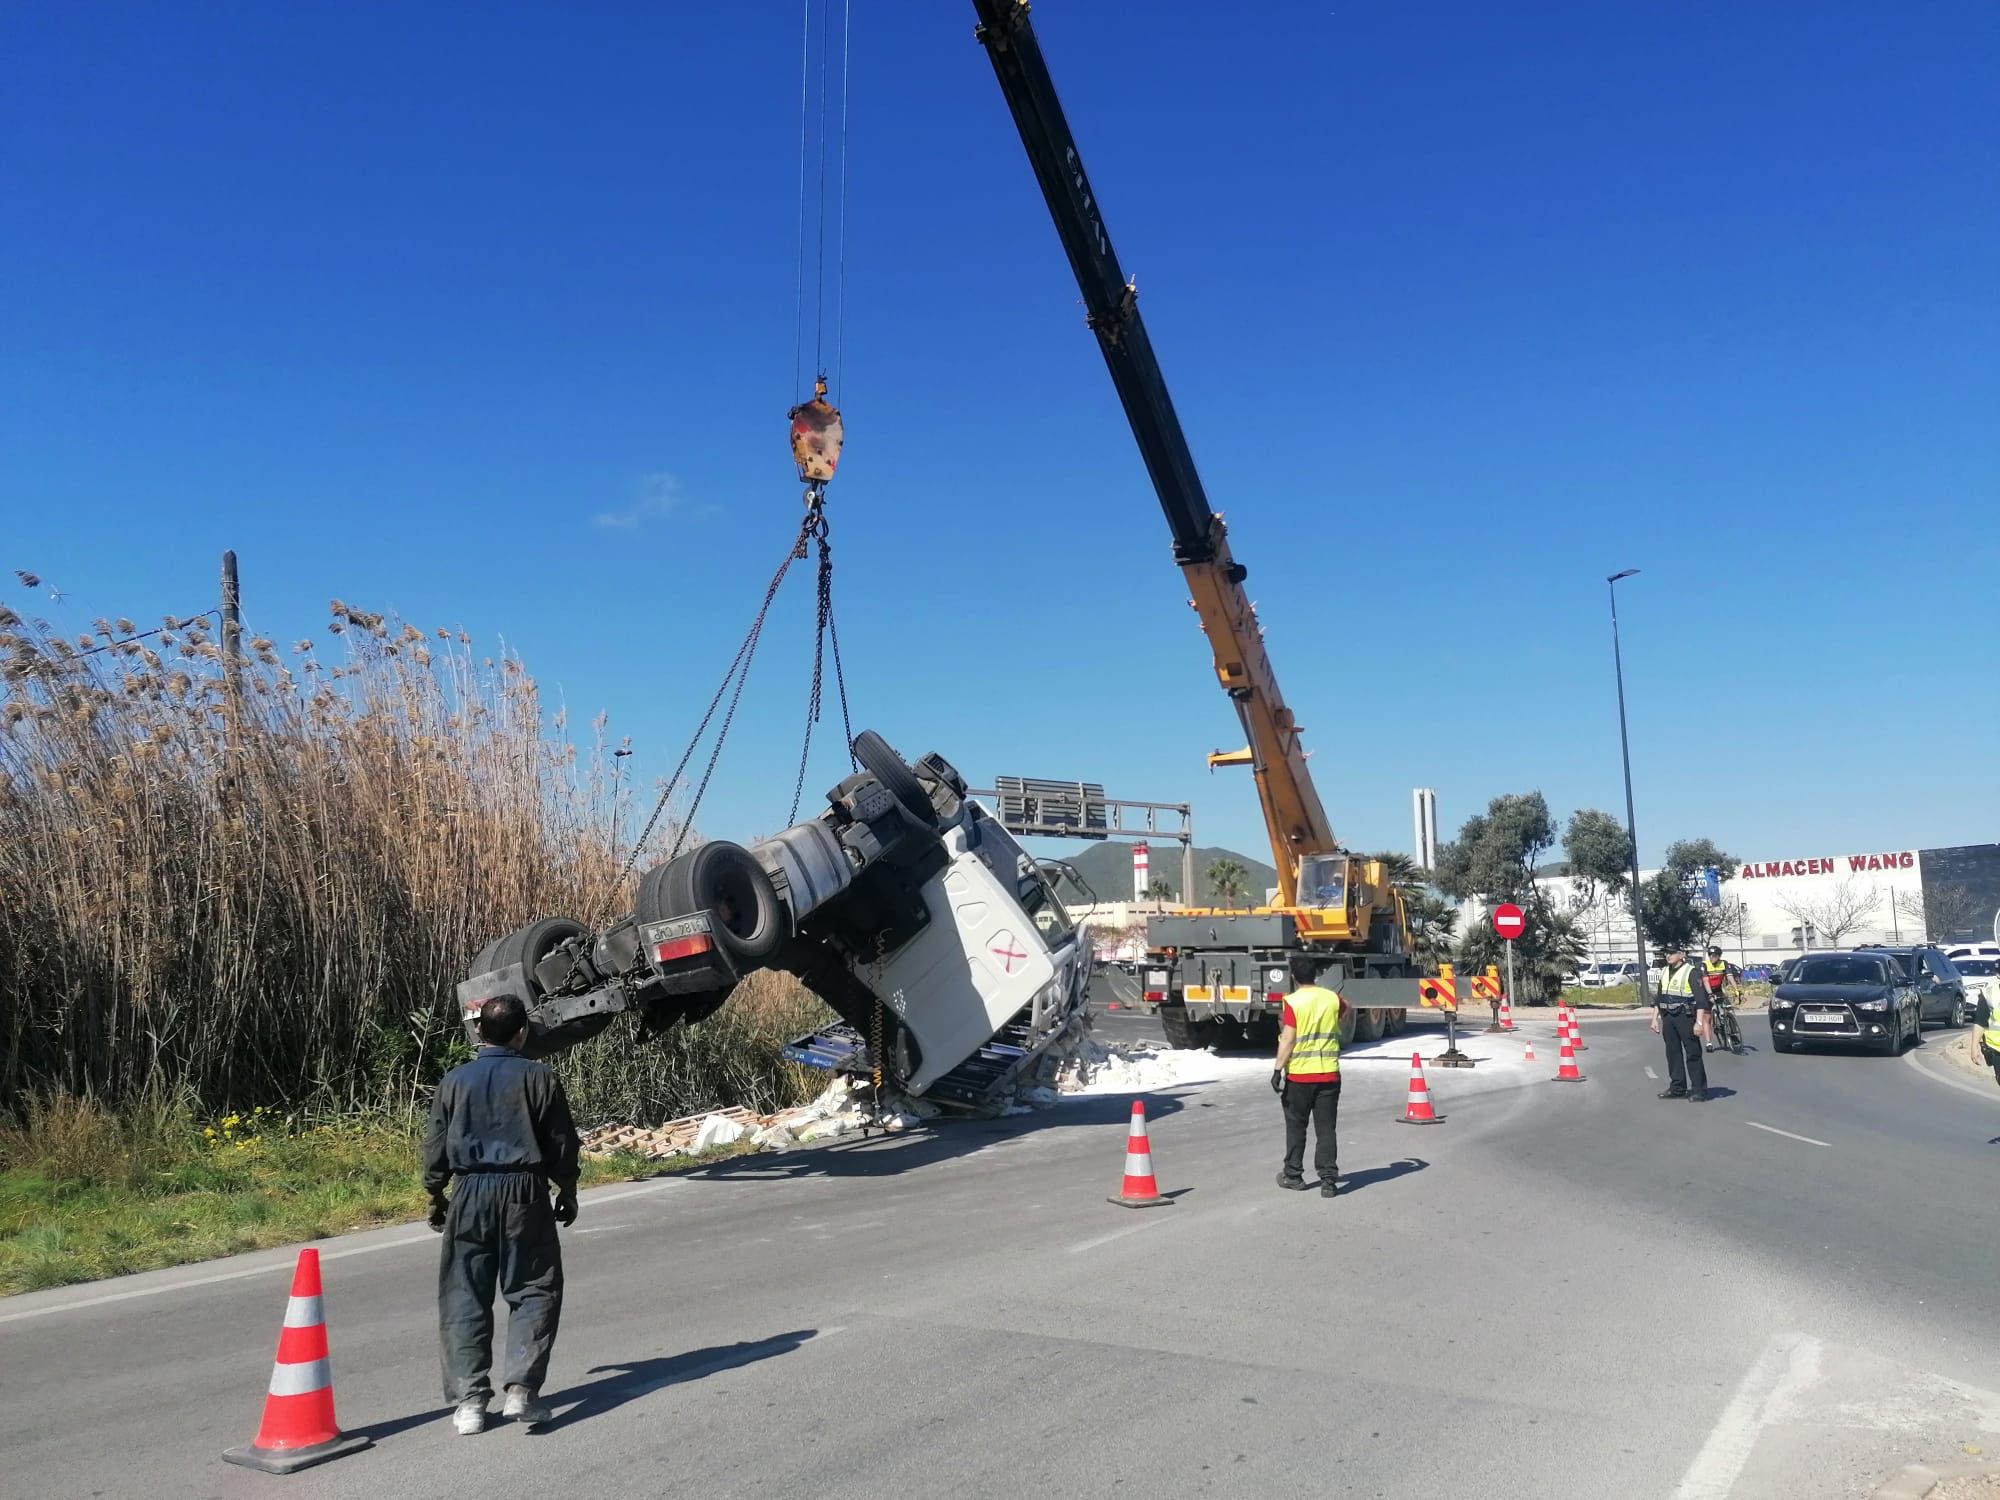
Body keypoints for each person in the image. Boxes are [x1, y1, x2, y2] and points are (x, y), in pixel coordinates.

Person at [421, 995, 581, 1435]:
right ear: (521, 1032)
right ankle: (521, 1392)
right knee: (533, 1288)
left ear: (479, 1033)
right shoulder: (539, 1077)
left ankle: (470, 1403)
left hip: (469, 1192)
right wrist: (566, 1189)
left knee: (464, 1294)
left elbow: (435, 1145)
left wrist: (436, 1194)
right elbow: (561, 1143)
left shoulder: (454, 1080)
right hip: (524, 1193)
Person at [1272, 955, 1348, 1197]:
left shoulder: (1292, 1002)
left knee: (1296, 1127)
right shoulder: (1332, 998)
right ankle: (1328, 1181)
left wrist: (1277, 1069)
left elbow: (1289, 1038)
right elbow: (1346, 1010)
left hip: (1300, 1077)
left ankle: (1293, 1175)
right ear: (1316, 975)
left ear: (1293, 976)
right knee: (1326, 1129)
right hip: (1328, 1075)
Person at [1652, 944, 1712, 1101]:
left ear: (1681, 954)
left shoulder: (1691, 972)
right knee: (1672, 1053)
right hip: (1668, 1017)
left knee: (1692, 1053)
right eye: (1667, 953)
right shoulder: (1664, 971)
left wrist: (1698, 1023)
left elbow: (1700, 1000)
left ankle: (1699, 1089)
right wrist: (1654, 1019)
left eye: (1672, 953)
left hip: (1685, 1016)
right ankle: (1677, 1088)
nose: (1668, 956)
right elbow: (1659, 997)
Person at [1700, 946, 1740, 1053]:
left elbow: (1730, 977)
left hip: (1718, 990)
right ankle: (1709, 1042)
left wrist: (1736, 990)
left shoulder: (1724, 963)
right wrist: (1709, 994)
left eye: (1714, 955)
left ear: (1719, 956)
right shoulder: (1705, 965)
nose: (1712, 957)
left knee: (1728, 1009)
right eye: (1710, 955)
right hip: (1706, 991)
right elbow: (1705, 981)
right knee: (1707, 1018)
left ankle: (1732, 1032)